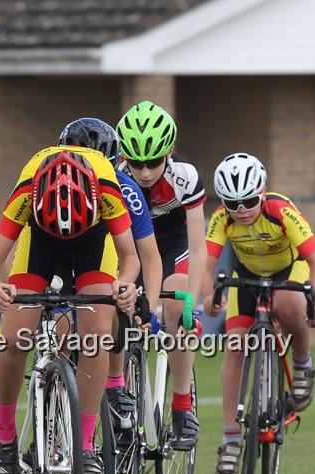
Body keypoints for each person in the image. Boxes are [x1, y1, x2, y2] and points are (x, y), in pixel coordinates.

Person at [0, 145, 140, 474]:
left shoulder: (108, 188)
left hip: (93, 241)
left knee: (96, 335)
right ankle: (4, 437)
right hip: (39, 240)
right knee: (15, 336)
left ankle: (84, 446)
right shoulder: (25, 190)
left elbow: (129, 257)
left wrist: (125, 285)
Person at [202, 153, 315, 474]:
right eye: (232, 203)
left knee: (289, 306)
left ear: (263, 193)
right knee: (234, 347)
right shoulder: (221, 219)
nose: (241, 210)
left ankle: (302, 364)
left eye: (249, 201)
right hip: (246, 276)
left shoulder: (280, 210)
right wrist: (207, 296)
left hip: (290, 269)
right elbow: (205, 265)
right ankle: (231, 439)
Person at [57, 118, 163, 429]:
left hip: (106, 262)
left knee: (117, 304)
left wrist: (149, 308)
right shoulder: (47, 182)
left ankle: (115, 384)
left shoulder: (127, 190)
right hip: (61, 262)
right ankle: (53, 418)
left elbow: (149, 256)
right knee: (59, 334)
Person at [115, 100, 206, 451]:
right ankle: (118, 396)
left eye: (153, 162)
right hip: (134, 247)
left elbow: (198, 248)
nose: (145, 171)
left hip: (174, 244)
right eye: (136, 163)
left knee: (176, 305)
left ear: (168, 152)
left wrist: (193, 308)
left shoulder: (185, 177)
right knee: (120, 309)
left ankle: (182, 403)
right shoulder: (116, 175)